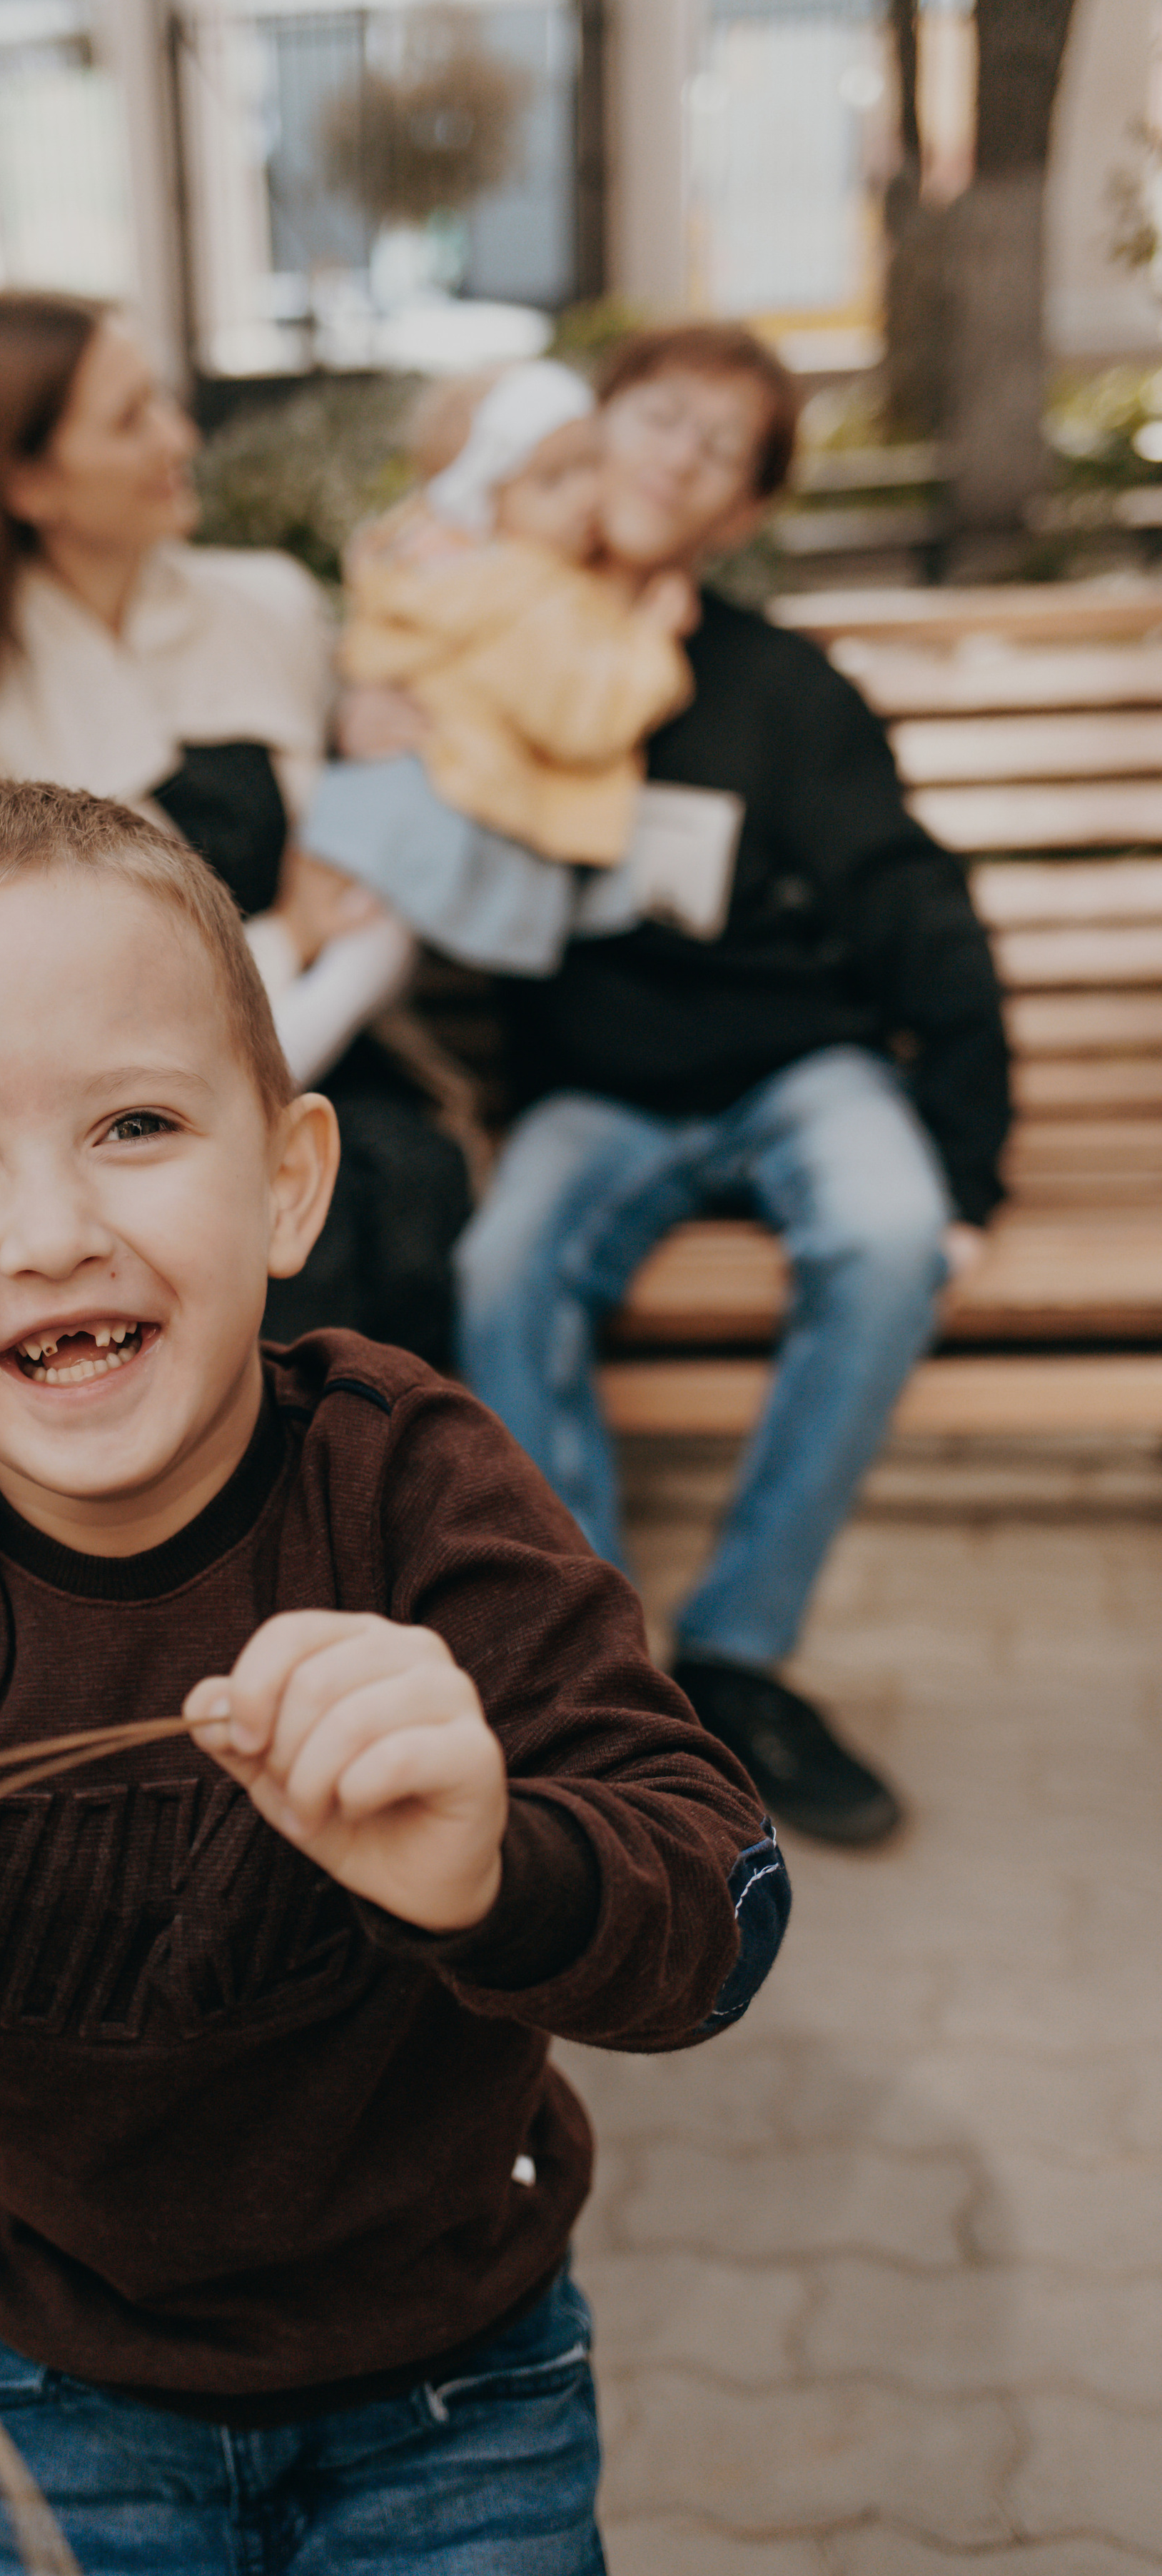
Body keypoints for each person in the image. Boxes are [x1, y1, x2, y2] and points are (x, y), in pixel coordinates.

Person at [0, 780, 788, 2576]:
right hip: (74, 2419)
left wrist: (502, 1865)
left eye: (138, 1126)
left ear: (290, 1177)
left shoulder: (420, 1485)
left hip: (458, 2402)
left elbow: (721, 1901)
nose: (55, 1231)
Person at [451, 325, 1011, 1848]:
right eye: (656, 418)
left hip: (796, 1070)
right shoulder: (490, 644)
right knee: (500, 1259)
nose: (669, 458)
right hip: (597, 1096)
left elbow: (913, 909)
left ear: (742, 513)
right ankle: (595, 1692)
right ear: (596, 423)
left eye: (716, 450)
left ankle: (737, 1662)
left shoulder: (781, 690)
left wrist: (964, 1170)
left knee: (891, 1235)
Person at [0, 288, 471, 1364]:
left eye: (164, 402)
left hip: (329, 1065)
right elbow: (47, 1002)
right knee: (238, 1233)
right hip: (95, 1124)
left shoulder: (271, 606)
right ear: (27, 481)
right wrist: (292, 932)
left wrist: (393, 724)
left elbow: (375, 834)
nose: (179, 437)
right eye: (130, 418)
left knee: (386, 1187)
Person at [297, 360, 695, 982]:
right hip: (448, 820)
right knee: (356, 973)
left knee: (348, 971)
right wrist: (651, 640)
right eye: (553, 481)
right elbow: (585, 718)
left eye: (589, 465)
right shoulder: (527, 596)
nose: (586, 493)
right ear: (484, 498)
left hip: (395, 803)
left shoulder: (439, 578)